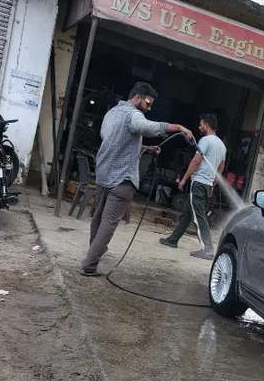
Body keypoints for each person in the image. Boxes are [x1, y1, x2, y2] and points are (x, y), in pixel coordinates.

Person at [81, 82, 193, 276]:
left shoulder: (112, 113)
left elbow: (115, 140)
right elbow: (147, 127)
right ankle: (90, 265)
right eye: (148, 103)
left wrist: (145, 149)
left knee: (98, 219)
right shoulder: (134, 114)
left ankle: (95, 251)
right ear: (138, 97)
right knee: (108, 223)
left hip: (104, 174)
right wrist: (178, 127)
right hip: (122, 179)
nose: (149, 108)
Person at [159, 113, 227, 260]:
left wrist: (184, 179)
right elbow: (222, 166)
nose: (199, 127)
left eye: (201, 124)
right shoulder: (222, 145)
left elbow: (196, 162)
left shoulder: (205, 141)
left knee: (199, 217)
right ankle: (172, 240)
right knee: (188, 214)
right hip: (207, 184)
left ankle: (208, 249)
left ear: (207, 125)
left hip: (199, 183)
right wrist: (214, 182)